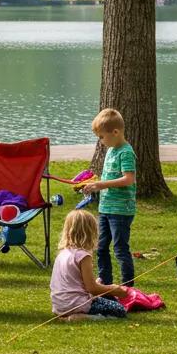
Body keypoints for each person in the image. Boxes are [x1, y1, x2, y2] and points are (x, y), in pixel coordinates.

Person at [80, 109, 136, 287]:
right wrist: (94, 183)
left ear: (116, 132)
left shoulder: (125, 152)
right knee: (101, 246)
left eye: (102, 137)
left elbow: (129, 179)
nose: (101, 141)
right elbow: (109, 177)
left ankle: (127, 285)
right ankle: (105, 280)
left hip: (120, 210)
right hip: (105, 208)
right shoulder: (111, 150)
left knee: (120, 248)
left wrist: (101, 185)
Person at [50, 209, 128, 321]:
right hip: (77, 304)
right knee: (119, 310)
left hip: (59, 305)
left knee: (108, 301)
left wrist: (96, 283)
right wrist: (114, 289)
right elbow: (92, 288)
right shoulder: (83, 255)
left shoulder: (63, 253)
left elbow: (74, 283)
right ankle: (82, 317)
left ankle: (66, 316)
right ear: (90, 232)